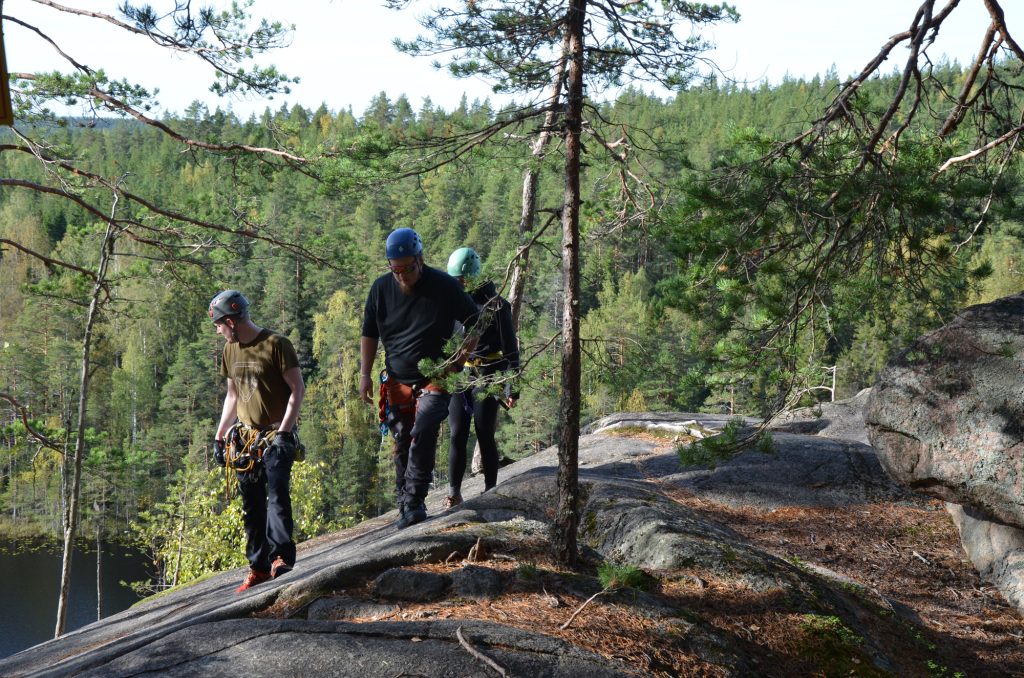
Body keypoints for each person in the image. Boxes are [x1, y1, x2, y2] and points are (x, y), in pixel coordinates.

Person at [359, 227, 479, 529]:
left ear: (420, 259)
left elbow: (476, 322)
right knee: (402, 440)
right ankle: (405, 503)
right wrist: (364, 374)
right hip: (397, 379)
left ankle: (414, 502)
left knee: (423, 432)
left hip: (436, 377)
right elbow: (369, 333)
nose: (402, 276)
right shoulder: (380, 289)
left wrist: (458, 361)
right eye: (395, 270)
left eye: (408, 269)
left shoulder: (444, 286)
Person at [210, 290, 305, 593]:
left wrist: (284, 434)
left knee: (277, 496)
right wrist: (220, 435)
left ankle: (280, 557)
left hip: (276, 434)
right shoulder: (230, 351)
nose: (218, 331)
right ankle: (259, 567)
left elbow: (297, 389)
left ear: (231, 322)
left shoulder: (276, 344)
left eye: (218, 325)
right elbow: (233, 395)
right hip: (246, 439)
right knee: (251, 506)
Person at [444, 247, 520, 509]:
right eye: (455, 280)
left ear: (471, 277)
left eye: (460, 280)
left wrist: (512, 387)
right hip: (460, 374)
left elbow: (511, 349)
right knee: (457, 433)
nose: (458, 284)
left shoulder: (497, 305)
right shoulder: (455, 302)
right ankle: (454, 493)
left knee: (484, 432)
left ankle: (490, 491)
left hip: (489, 373)